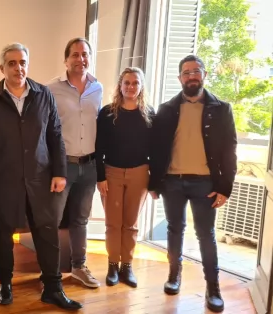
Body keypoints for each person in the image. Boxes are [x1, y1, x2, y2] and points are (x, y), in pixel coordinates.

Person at [0, 42, 82, 311]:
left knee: (47, 232)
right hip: (4, 180)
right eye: (12, 63)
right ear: (2, 68)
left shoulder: (43, 95)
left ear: (27, 65)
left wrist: (60, 172)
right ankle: (5, 283)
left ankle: (53, 287)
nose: (18, 68)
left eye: (22, 62)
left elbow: (55, 135)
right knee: (4, 231)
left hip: (41, 178)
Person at [149, 54, 237, 313]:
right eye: (186, 72)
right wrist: (154, 182)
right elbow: (156, 149)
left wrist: (225, 187)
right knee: (175, 230)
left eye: (196, 71)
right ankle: (174, 276)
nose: (191, 76)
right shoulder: (166, 110)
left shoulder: (222, 109)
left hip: (205, 184)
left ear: (204, 75)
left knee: (205, 236)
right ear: (180, 78)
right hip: (172, 182)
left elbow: (230, 150)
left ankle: (213, 287)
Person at [47, 37, 103, 289]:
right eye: (75, 54)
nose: (81, 59)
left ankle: (79, 267)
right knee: (54, 219)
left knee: (80, 220)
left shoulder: (98, 88)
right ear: (66, 59)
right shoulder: (51, 89)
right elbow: (45, 130)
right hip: (63, 167)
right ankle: (50, 272)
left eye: (85, 54)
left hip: (89, 166)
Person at [95, 67, 154, 288]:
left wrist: (155, 180)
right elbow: (98, 146)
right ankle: (112, 265)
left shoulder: (149, 113)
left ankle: (127, 266)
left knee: (131, 224)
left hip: (140, 173)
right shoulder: (107, 113)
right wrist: (100, 177)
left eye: (135, 83)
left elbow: (155, 149)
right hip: (111, 172)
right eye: (126, 83)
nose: (131, 87)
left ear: (141, 86)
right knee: (113, 223)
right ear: (120, 85)